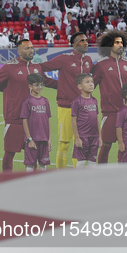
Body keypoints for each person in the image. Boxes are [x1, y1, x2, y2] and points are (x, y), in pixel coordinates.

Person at [0, 39, 57, 171]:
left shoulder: (37, 67)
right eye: (27, 48)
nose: (31, 50)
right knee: (10, 153)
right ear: (19, 51)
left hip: (35, 121)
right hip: (15, 118)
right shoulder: (10, 67)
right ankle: (7, 182)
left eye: (32, 47)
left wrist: (67, 85)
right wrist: (11, 94)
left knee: (35, 155)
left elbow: (47, 82)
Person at [41, 32, 92, 169]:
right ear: (74, 45)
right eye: (82, 40)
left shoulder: (88, 60)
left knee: (80, 142)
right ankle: (61, 175)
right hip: (66, 107)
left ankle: (79, 174)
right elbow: (40, 68)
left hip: (85, 108)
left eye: (86, 40)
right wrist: (56, 84)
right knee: (64, 143)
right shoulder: (64, 59)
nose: (86, 42)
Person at [91, 30, 127, 164]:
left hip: (126, 113)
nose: (120, 45)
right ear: (110, 45)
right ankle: (101, 174)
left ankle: (122, 174)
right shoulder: (101, 65)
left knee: (125, 146)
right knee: (106, 145)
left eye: (121, 42)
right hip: (109, 113)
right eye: (117, 42)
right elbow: (91, 86)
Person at [21, 73, 52, 172]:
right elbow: (24, 120)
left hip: (44, 139)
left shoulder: (45, 101)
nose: (39, 87)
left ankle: (42, 186)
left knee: (43, 164)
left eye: (41, 84)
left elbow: (48, 120)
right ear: (30, 86)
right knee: (30, 165)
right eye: (36, 85)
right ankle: (29, 186)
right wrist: (29, 139)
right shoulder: (27, 101)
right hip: (33, 140)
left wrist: (49, 139)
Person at [71, 73, 100, 169]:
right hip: (83, 137)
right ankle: (78, 182)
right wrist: (77, 138)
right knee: (81, 161)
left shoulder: (94, 100)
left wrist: (100, 136)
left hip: (94, 137)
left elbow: (96, 119)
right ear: (80, 86)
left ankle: (92, 182)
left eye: (92, 82)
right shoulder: (77, 101)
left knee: (92, 161)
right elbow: (74, 120)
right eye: (87, 82)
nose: (91, 84)